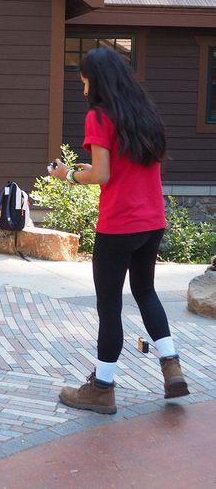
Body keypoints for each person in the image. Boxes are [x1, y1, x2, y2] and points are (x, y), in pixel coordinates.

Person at [51, 47, 189, 415]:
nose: (83, 90)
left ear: (96, 80)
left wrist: (68, 175)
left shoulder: (99, 116)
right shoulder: (144, 112)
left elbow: (102, 175)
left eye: (83, 81)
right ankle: (170, 364)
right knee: (145, 292)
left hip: (119, 224)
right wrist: (93, 165)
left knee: (109, 306)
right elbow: (123, 165)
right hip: (152, 221)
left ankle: (102, 388)